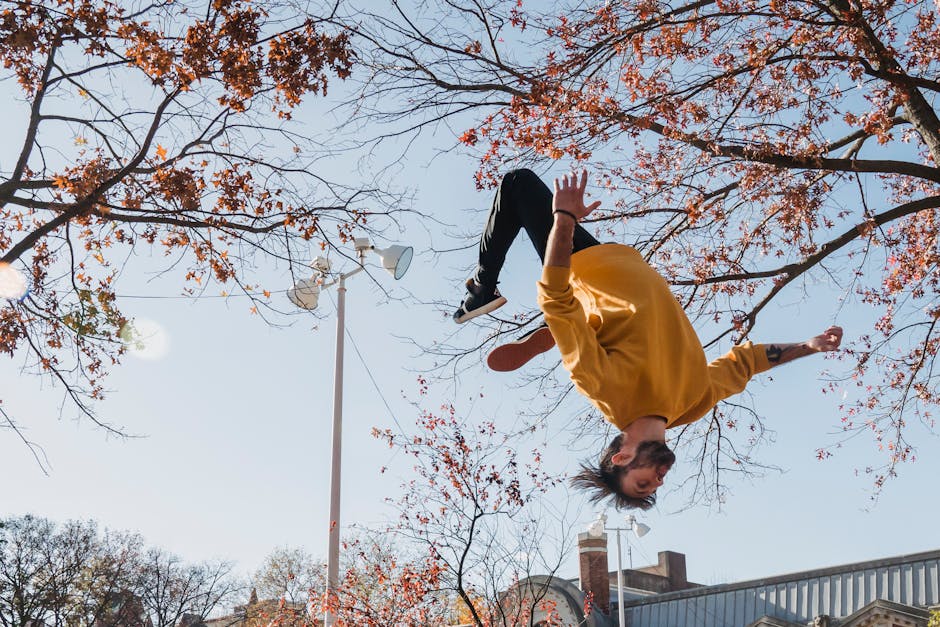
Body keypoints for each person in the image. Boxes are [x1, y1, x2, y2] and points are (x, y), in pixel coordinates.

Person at [453, 168, 843, 510]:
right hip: (620, 264)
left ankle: (483, 289)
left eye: (643, 483)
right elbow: (747, 363)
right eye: (655, 486)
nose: (657, 481)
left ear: (622, 458)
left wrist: (565, 220)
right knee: (577, 320)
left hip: (588, 271)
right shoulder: (691, 404)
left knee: (518, 184)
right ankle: (565, 331)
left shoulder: (605, 388)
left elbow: (556, 298)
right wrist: (808, 347)